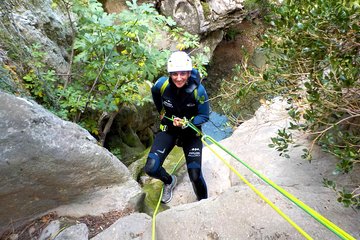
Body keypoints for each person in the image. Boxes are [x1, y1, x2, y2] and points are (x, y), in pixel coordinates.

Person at [144, 51, 210, 204]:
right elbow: (155, 93)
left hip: (191, 133)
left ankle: (204, 204)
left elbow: (204, 115)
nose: (179, 78)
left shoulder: (198, 91)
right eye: (175, 74)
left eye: (183, 73)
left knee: (195, 175)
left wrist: (187, 122)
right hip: (169, 129)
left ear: (188, 73)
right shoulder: (161, 85)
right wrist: (161, 111)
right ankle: (169, 181)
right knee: (151, 168)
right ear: (170, 73)